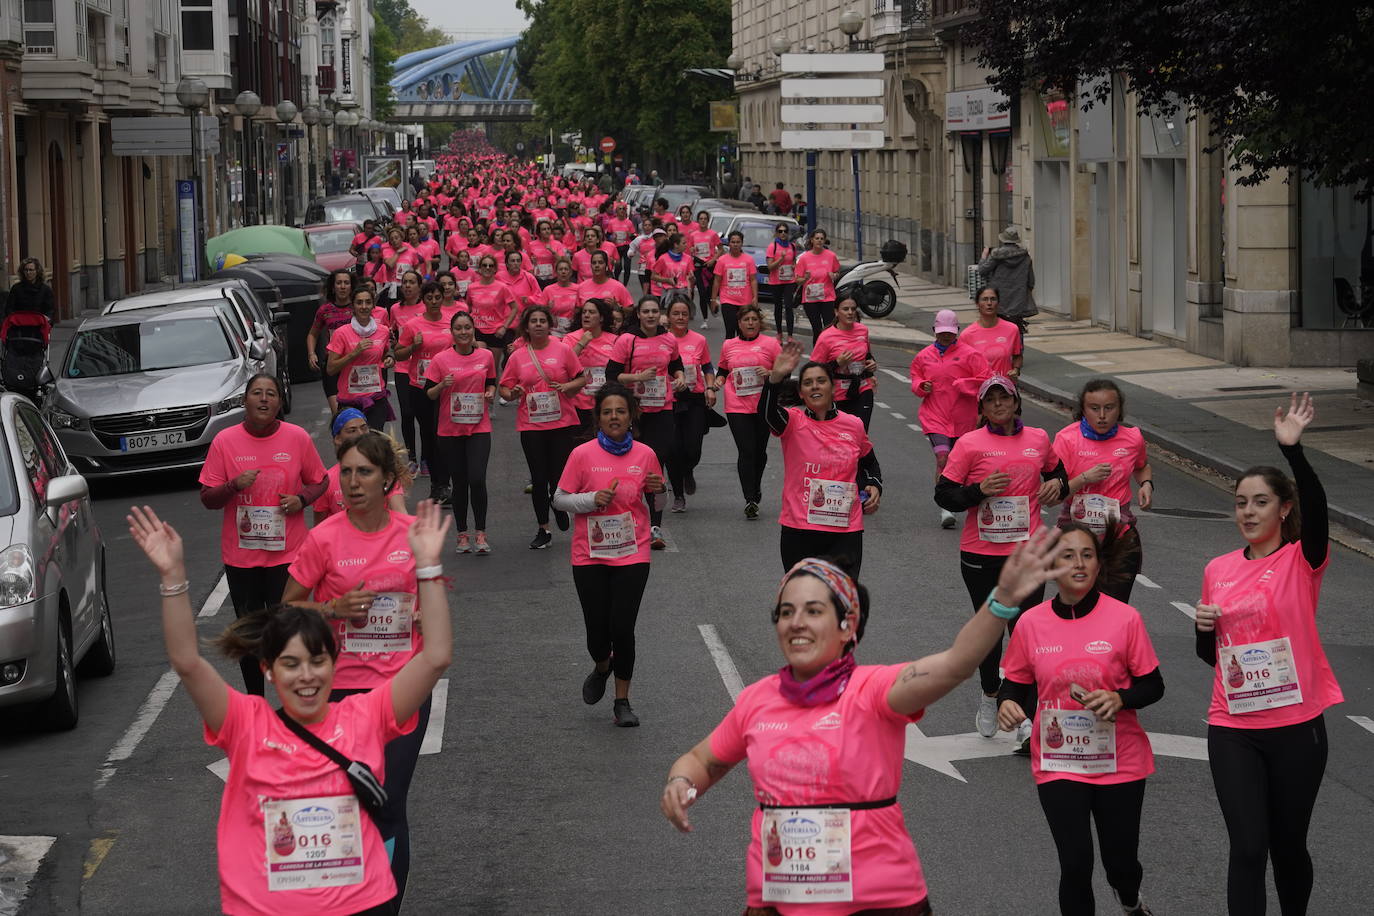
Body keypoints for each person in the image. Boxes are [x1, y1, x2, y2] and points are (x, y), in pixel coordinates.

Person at [661, 531, 1072, 916]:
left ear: (847, 626)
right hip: (777, 901)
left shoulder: (873, 690)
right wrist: (681, 783)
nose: (796, 622)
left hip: (878, 901)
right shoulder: (757, 700)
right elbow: (702, 760)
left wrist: (1000, 601)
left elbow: (956, 663)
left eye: (813, 610)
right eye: (786, 612)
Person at [128, 497, 451, 916]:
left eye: (317, 661)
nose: (306, 676)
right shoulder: (245, 724)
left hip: (356, 905)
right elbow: (188, 663)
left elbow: (436, 657)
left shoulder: (366, 716)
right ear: (268, 670)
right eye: (291, 664)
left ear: (333, 666)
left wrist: (427, 567)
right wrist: (173, 577)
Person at [282, 433, 449, 907]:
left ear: (387, 480)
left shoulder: (410, 534)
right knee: (348, 804)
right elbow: (286, 609)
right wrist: (332, 608)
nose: (352, 483)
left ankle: (385, 904)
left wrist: (421, 614)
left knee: (388, 801)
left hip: (402, 688)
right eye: (346, 472)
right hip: (340, 694)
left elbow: (435, 602)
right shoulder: (324, 537)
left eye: (364, 472)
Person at [1194, 392, 1341, 916]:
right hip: (1233, 726)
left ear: (1283, 509)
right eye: (1240, 502)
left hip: (1297, 726)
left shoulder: (1304, 560)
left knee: (1287, 847)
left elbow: (1320, 511)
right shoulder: (1218, 569)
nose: (1248, 511)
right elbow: (1214, 658)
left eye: (1260, 502)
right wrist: (1203, 628)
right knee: (1248, 847)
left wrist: (1293, 452)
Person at [998, 522, 1164, 916]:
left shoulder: (1125, 619)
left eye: (1087, 555)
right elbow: (1016, 682)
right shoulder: (1031, 623)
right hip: (1059, 762)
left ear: (1098, 563)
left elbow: (1153, 686)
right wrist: (1007, 702)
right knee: (1075, 863)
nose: (1078, 563)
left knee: (1120, 864)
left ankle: (1130, 899)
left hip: (1119, 761)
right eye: (1068, 555)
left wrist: (1120, 698)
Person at [935, 375, 1068, 748]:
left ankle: (1023, 714)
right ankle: (991, 693)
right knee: (991, 631)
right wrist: (978, 491)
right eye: (990, 400)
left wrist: (1058, 485)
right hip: (981, 553)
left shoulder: (1039, 439)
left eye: (1003, 398)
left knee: (1025, 631)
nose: (997, 405)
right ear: (981, 408)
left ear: (1015, 402)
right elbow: (943, 493)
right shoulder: (969, 444)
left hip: (1027, 552)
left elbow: (1058, 473)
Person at [198, 374, 327, 697]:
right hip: (242, 557)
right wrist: (233, 486)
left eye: (271, 394)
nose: (264, 399)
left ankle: (293, 703)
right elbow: (208, 498)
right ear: (245, 400)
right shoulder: (225, 442)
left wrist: (302, 500)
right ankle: (256, 702)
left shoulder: (296, 437)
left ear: (280, 403)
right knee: (252, 634)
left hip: (287, 554)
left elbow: (320, 480)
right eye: (257, 393)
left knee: (287, 631)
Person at [552, 383, 666, 728]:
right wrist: (590, 500)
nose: (614, 417)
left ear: (631, 416)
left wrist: (660, 492)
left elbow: (656, 504)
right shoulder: (582, 455)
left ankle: (622, 701)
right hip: (590, 555)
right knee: (597, 631)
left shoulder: (645, 454)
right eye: (607, 412)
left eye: (620, 411)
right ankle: (602, 665)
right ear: (598, 418)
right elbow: (559, 499)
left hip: (633, 553)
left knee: (623, 627)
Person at [762, 339, 881, 576]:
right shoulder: (793, 421)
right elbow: (766, 415)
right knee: (805, 601)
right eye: (807, 383)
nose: (815, 386)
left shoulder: (853, 425)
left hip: (845, 530)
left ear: (832, 387)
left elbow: (869, 463)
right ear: (801, 393)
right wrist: (774, 380)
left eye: (820, 381)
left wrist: (875, 485)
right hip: (800, 529)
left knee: (841, 602)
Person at [499, 305, 588, 550]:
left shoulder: (563, 350)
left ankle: (557, 503)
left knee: (557, 478)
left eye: (542, 320)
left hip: (562, 423)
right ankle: (543, 529)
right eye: (533, 321)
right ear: (526, 327)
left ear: (550, 325)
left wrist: (570, 388)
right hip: (531, 425)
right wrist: (512, 392)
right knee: (538, 478)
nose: (538, 324)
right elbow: (504, 388)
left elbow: (581, 378)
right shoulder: (517, 356)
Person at [1055, 379, 1153, 602]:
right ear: (1083, 409)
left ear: (1119, 410)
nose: (1102, 415)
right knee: (1080, 605)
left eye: (1109, 408)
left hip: (1119, 537)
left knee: (1115, 608)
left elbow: (1142, 466)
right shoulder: (1067, 439)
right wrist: (1084, 478)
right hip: (1077, 539)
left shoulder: (1132, 438)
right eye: (1094, 408)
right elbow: (1052, 496)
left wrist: (1146, 484)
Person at [606, 296, 687, 550]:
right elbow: (611, 375)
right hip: (635, 412)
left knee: (655, 471)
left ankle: (655, 526)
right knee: (632, 469)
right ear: (639, 315)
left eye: (654, 311)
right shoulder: (627, 340)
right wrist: (637, 376)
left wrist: (681, 377)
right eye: (646, 312)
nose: (651, 316)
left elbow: (676, 365)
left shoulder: (669, 339)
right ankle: (630, 516)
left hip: (662, 410)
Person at [425, 311, 497, 555]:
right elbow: (429, 394)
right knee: (460, 482)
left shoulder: (486, 356)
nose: (463, 332)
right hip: (449, 429)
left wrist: (490, 393)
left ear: (473, 329)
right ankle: (462, 534)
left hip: (479, 426)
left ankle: (481, 532)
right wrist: (441, 385)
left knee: (477, 478)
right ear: (452, 332)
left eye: (467, 327)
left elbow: (491, 382)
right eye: (459, 328)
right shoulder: (440, 360)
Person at [911, 309, 990, 529]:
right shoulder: (923, 356)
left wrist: (965, 385)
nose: (946, 336)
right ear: (934, 331)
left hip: (964, 419)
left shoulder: (971, 355)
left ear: (957, 331)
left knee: (962, 464)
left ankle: (966, 498)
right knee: (943, 458)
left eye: (950, 332)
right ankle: (946, 506)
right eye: (941, 332)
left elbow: (986, 380)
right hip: (934, 417)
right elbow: (916, 378)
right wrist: (921, 386)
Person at [714, 304, 780, 519]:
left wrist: (770, 372)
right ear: (739, 324)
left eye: (754, 319)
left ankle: (756, 486)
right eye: (746, 320)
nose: (750, 323)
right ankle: (749, 498)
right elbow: (723, 369)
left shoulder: (770, 344)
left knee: (759, 452)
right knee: (746, 451)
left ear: (759, 322)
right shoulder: (729, 345)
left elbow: (783, 372)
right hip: (736, 405)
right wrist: (718, 381)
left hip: (763, 405)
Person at [395, 281, 455, 503]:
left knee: (444, 436)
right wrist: (413, 347)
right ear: (424, 299)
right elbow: (399, 354)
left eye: (437, 297)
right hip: (419, 387)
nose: (433, 302)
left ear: (442, 298)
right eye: (429, 298)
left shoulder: (451, 322)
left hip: (445, 387)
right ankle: (436, 485)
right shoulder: (413, 325)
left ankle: (444, 484)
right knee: (428, 435)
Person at [312, 408, 410, 522]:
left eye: (364, 428)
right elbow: (319, 526)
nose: (360, 434)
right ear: (337, 439)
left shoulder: (381, 471)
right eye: (352, 430)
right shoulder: (326, 481)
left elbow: (400, 512)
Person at [665, 298, 715, 512]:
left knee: (693, 449)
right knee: (674, 449)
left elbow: (708, 367)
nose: (680, 317)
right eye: (676, 313)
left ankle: (688, 470)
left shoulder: (699, 340)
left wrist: (710, 388)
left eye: (684, 313)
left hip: (694, 400)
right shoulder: (663, 340)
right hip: (669, 402)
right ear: (669, 316)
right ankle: (678, 495)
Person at [327, 288, 396, 431]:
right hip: (350, 401)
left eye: (368, 302)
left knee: (374, 442)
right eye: (359, 302)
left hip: (375, 397)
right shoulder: (341, 333)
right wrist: (354, 353)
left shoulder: (383, 331)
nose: (364, 306)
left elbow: (385, 353)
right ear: (352, 306)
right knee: (355, 445)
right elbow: (331, 369)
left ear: (373, 305)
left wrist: (389, 358)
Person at [811, 297, 877, 431]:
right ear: (836, 312)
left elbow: (867, 355)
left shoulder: (863, 330)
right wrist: (837, 363)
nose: (850, 312)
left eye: (853, 309)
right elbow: (813, 371)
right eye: (845, 309)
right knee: (841, 436)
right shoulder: (826, 337)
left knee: (860, 433)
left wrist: (872, 364)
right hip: (838, 393)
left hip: (863, 388)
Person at [387, 271, 426, 470]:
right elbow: (390, 330)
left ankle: (427, 457)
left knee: (425, 414)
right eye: (405, 282)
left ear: (420, 286)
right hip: (403, 366)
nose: (408, 286)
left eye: (412, 282)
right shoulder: (395, 309)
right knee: (407, 412)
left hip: (424, 367)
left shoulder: (427, 307)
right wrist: (392, 341)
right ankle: (411, 457)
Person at [566, 298, 620, 430]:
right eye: (584, 312)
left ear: (601, 318)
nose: (586, 315)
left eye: (591, 312)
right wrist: (581, 344)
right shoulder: (571, 338)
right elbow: (565, 366)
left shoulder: (614, 340)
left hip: (605, 402)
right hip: (578, 402)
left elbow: (619, 369)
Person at [307, 270, 356, 416]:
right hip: (332, 365)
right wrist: (311, 354)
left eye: (346, 283)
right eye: (339, 283)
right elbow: (312, 334)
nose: (342, 286)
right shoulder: (324, 310)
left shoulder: (359, 307)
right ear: (333, 287)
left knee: (356, 414)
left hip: (355, 364)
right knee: (339, 416)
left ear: (351, 287)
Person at [977, 227, 1037, 336]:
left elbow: (982, 270)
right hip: (1018, 300)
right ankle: (1018, 350)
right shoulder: (1025, 256)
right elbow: (1031, 281)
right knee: (1017, 329)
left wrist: (984, 256)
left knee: (998, 330)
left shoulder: (996, 255)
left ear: (1003, 240)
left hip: (999, 300)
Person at [959, 286, 1024, 379]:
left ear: (998, 303)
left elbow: (1017, 356)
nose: (989, 303)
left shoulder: (1012, 329)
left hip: (1005, 389)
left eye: (993, 299)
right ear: (977, 303)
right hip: (980, 389)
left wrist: (1016, 370)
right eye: (984, 299)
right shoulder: (967, 335)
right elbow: (962, 366)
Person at [464, 254, 520, 356]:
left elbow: (515, 308)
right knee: (480, 363)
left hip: (496, 332)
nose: (487, 268)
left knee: (493, 367)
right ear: (480, 269)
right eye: (484, 265)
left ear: (495, 269)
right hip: (478, 330)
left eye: (491, 266)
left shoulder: (502, 287)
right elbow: (468, 307)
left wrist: (504, 327)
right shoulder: (472, 287)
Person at [710, 230, 759, 340]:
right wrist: (713, 300)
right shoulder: (722, 260)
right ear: (729, 243)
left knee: (742, 331)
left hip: (745, 301)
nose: (735, 244)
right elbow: (717, 281)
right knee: (730, 330)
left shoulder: (749, 260)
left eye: (738, 242)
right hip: (728, 300)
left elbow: (753, 280)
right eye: (733, 242)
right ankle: (728, 355)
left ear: (742, 243)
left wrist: (755, 297)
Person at [796, 230, 841, 345]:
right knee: (817, 329)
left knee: (829, 328)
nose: (819, 241)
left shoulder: (831, 256)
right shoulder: (804, 258)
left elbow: (837, 271)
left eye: (822, 238)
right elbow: (797, 280)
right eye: (817, 238)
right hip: (811, 299)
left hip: (827, 297)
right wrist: (805, 278)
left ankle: (829, 353)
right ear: (812, 240)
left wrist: (834, 275)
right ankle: (818, 355)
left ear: (824, 240)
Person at [688, 213, 723, 329]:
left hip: (711, 266)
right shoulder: (693, 235)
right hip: (698, 266)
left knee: (710, 291)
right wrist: (692, 250)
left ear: (708, 221)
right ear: (698, 221)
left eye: (705, 219)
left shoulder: (713, 234)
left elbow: (721, 249)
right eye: (701, 219)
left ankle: (713, 305)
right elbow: (689, 249)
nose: (703, 221)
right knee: (702, 293)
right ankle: (705, 319)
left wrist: (713, 260)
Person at [764, 225, 799, 338]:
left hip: (789, 280)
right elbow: (770, 267)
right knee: (778, 306)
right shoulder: (772, 246)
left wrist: (794, 266)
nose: (783, 233)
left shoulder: (792, 247)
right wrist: (780, 259)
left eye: (785, 231)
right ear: (777, 233)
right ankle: (779, 333)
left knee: (789, 306)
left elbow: (794, 262)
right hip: (776, 281)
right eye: (780, 231)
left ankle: (790, 335)